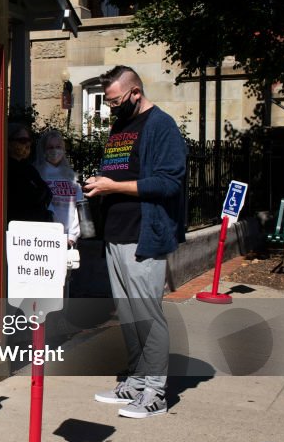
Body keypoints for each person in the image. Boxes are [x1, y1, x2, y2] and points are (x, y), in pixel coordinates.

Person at [83, 65, 186, 418]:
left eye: (114, 101)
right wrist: (100, 183)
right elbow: (117, 172)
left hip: (144, 235)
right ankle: (137, 383)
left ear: (135, 93)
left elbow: (169, 182)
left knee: (147, 315)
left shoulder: (161, 126)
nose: (110, 107)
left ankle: (156, 393)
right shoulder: (120, 127)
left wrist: (113, 186)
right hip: (116, 234)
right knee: (128, 315)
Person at [34, 129, 83, 246]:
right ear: (43, 150)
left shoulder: (71, 176)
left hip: (69, 239)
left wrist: (72, 236)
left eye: (58, 147)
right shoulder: (37, 173)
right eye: (50, 147)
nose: (55, 150)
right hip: (44, 237)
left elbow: (79, 206)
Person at [6, 122, 54, 223]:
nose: (27, 144)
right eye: (22, 140)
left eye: (29, 140)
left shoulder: (28, 168)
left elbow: (47, 193)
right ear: (9, 142)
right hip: (16, 223)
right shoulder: (6, 168)